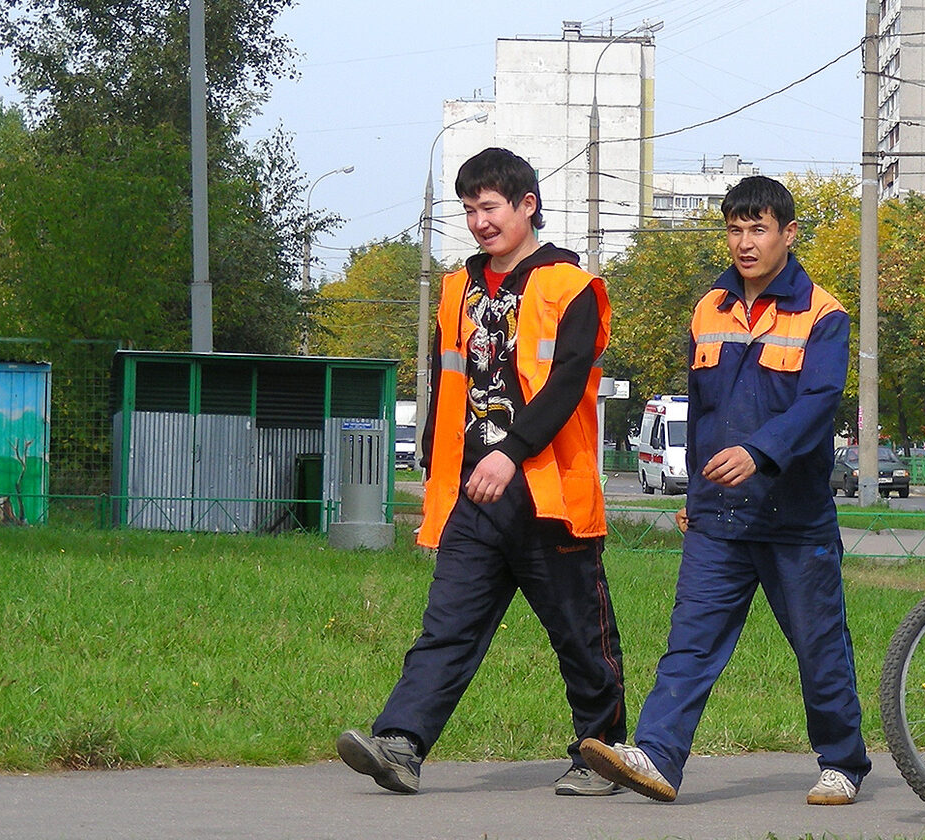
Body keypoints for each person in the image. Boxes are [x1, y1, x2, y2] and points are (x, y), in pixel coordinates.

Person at [336, 147, 627, 795]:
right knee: (448, 625)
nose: (478, 221)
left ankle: (600, 752)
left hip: (548, 493)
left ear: (527, 205)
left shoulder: (570, 286)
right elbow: (447, 385)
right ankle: (401, 744)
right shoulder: (456, 289)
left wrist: (511, 450)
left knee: (580, 634)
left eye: (489, 207)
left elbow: (569, 384)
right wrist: (437, 463)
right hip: (474, 491)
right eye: (468, 209)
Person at [580, 176, 870, 805]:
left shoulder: (823, 312)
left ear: (788, 235)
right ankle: (657, 757)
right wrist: (694, 495)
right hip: (718, 516)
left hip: (794, 518)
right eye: (735, 229)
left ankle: (842, 763)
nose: (745, 242)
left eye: (758, 228)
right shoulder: (707, 308)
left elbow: (819, 403)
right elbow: (704, 407)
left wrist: (759, 452)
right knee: (691, 640)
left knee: (819, 646)